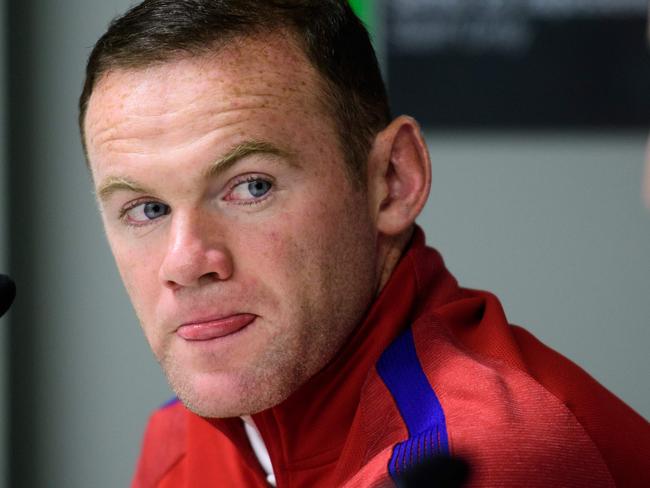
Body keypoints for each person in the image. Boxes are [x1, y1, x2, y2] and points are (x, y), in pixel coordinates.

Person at [79, 1, 649, 486]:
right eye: (147, 209)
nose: (185, 262)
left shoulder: (479, 457)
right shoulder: (179, 440)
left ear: (392, 181)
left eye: (251, 187)